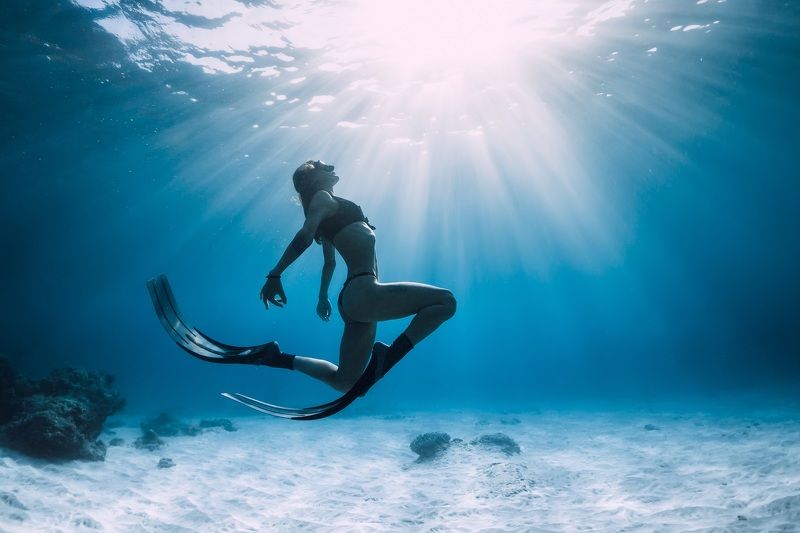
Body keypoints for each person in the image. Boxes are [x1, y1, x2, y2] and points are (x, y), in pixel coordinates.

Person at [257, 160, 456, 393]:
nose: (331, 167)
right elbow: (305, 235)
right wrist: (275, 274)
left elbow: (330, 263)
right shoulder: (322, 198)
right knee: (446, 301)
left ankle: (277, 357)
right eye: (323, 166)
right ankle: (389, 355)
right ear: (312, 178)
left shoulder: (329, 208)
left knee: (346, 383)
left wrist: (323, 297)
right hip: (364, 292)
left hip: (356, 300)